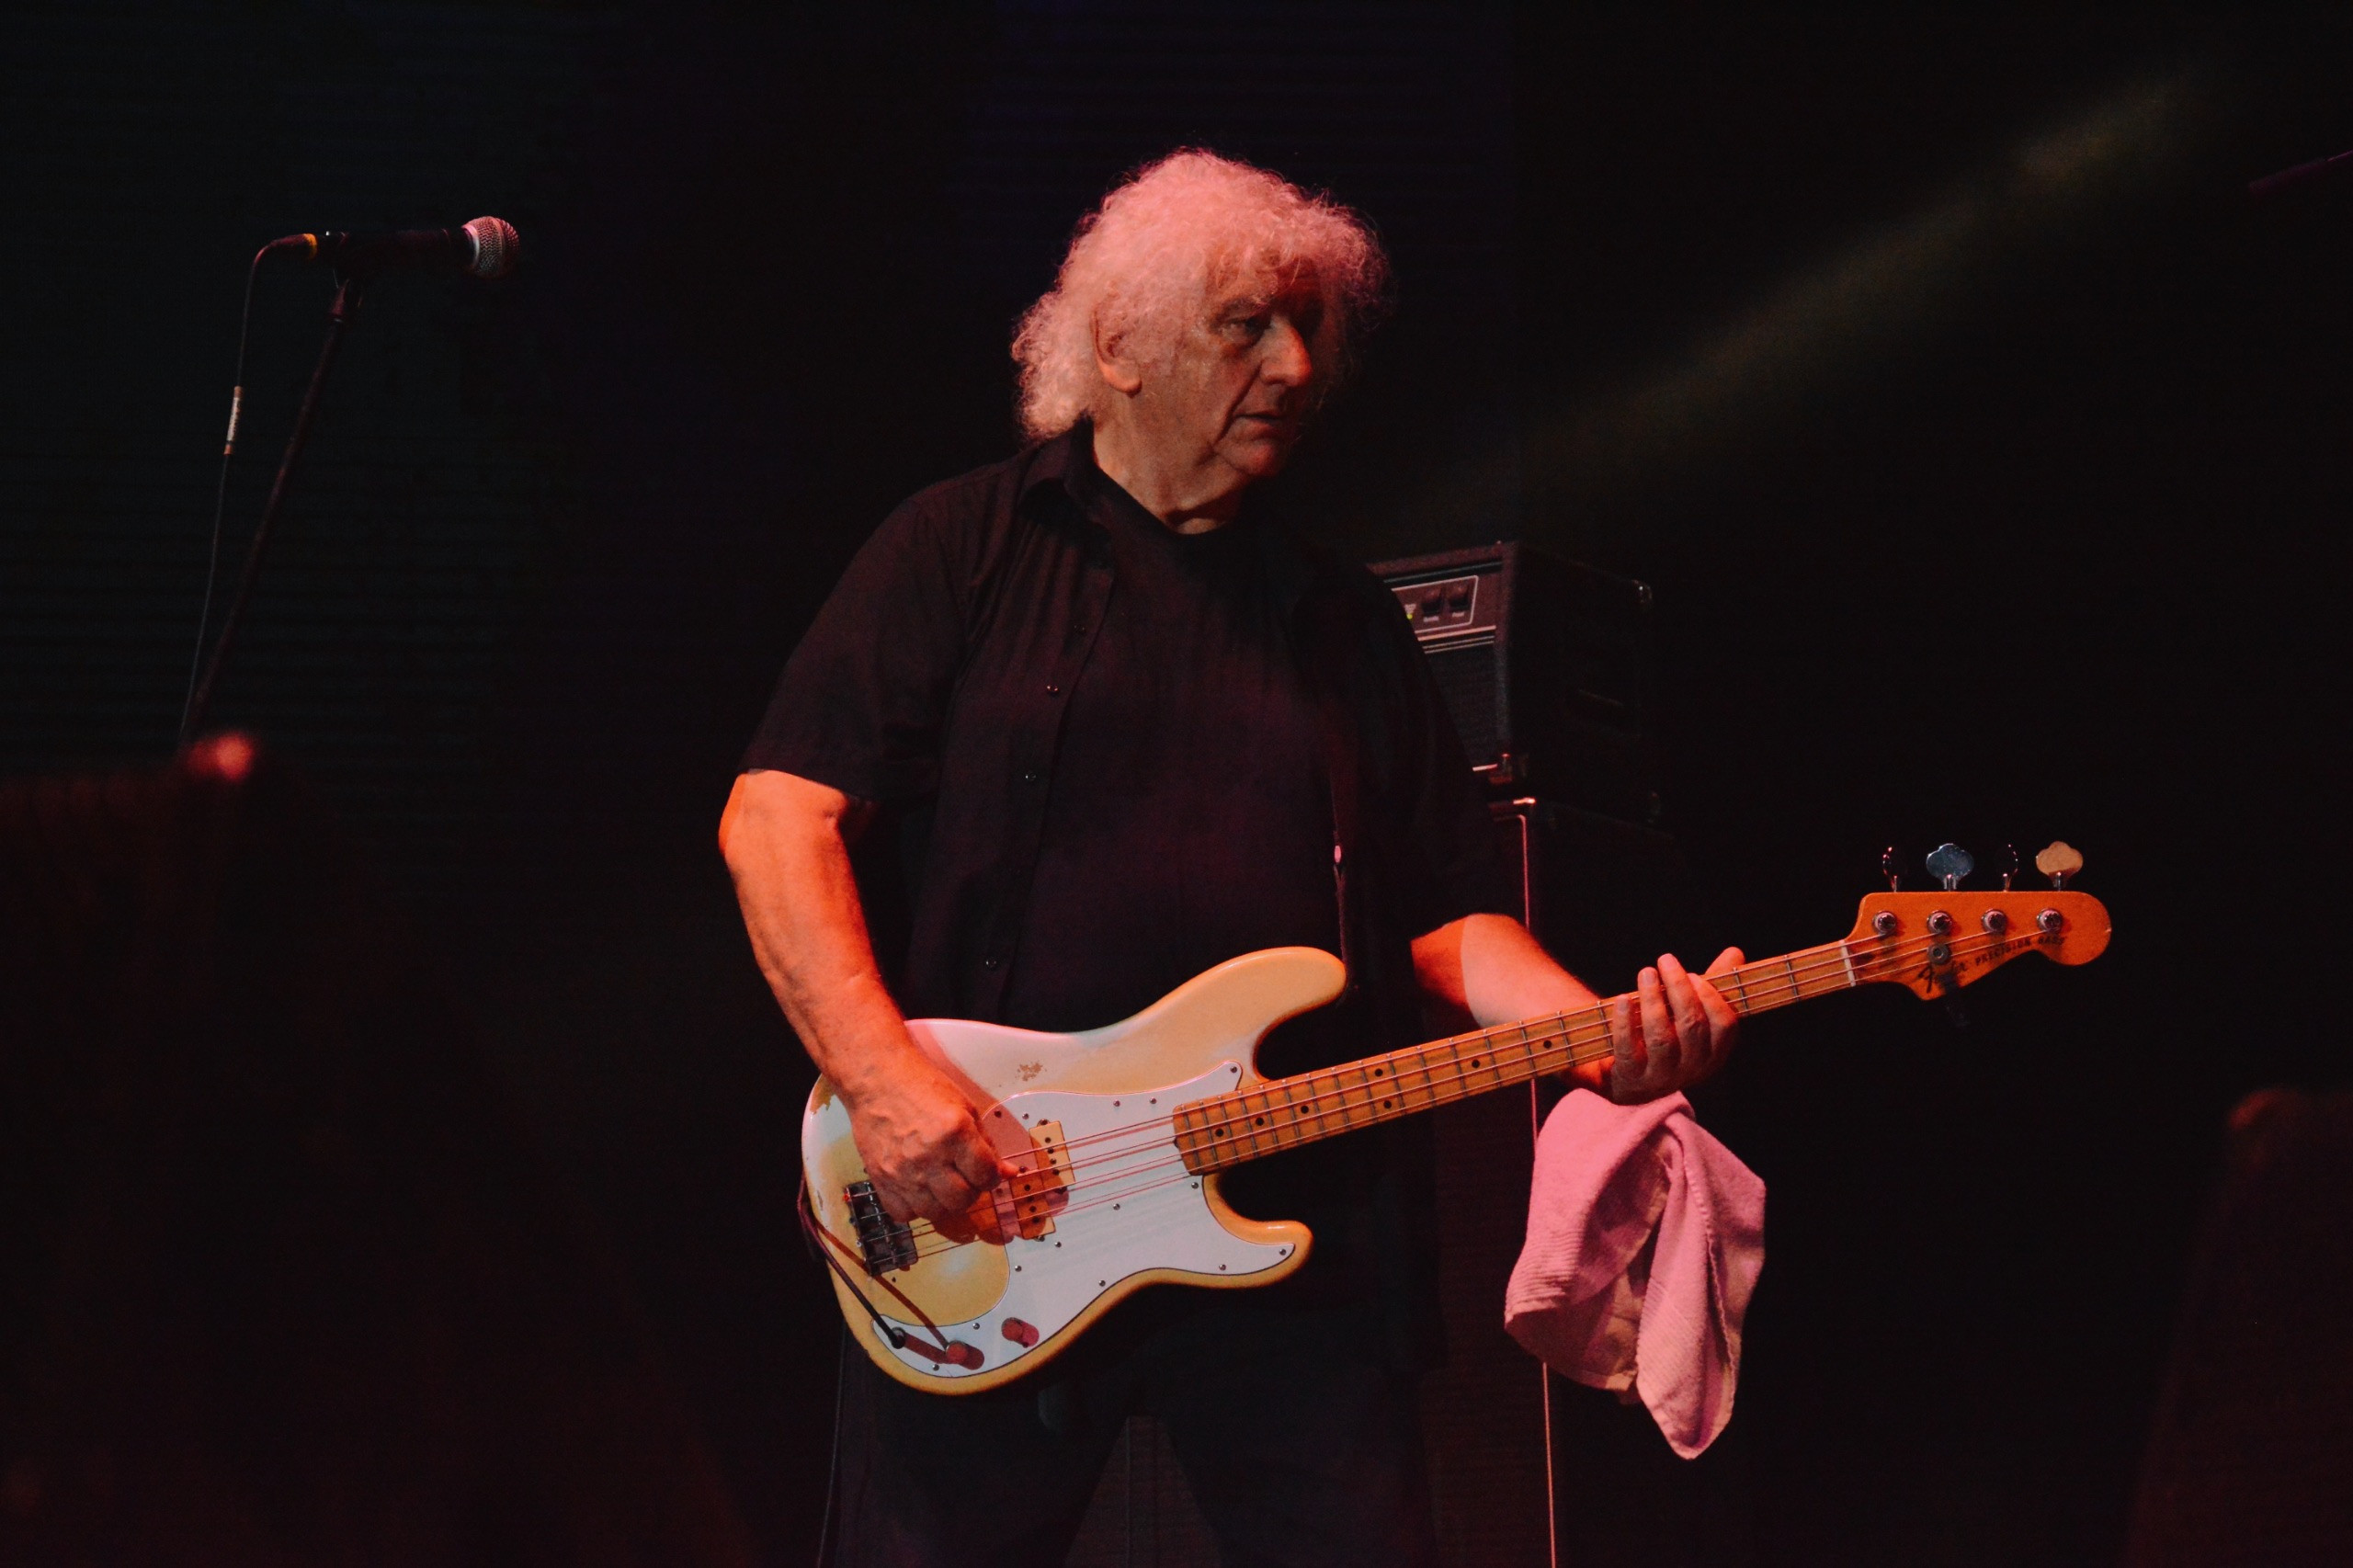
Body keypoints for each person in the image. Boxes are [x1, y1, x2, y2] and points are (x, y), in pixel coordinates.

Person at [720, 149, 1743, 1568]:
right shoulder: (961, 547)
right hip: (993, 1204)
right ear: (1120, 348)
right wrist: (884, 1084)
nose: (1297, 365)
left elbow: (1446, 915)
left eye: (1311, 329)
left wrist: (1596, 1035)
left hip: (1297, 1239)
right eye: (1247, 326)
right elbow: (777, 816)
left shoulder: (1342, 621)